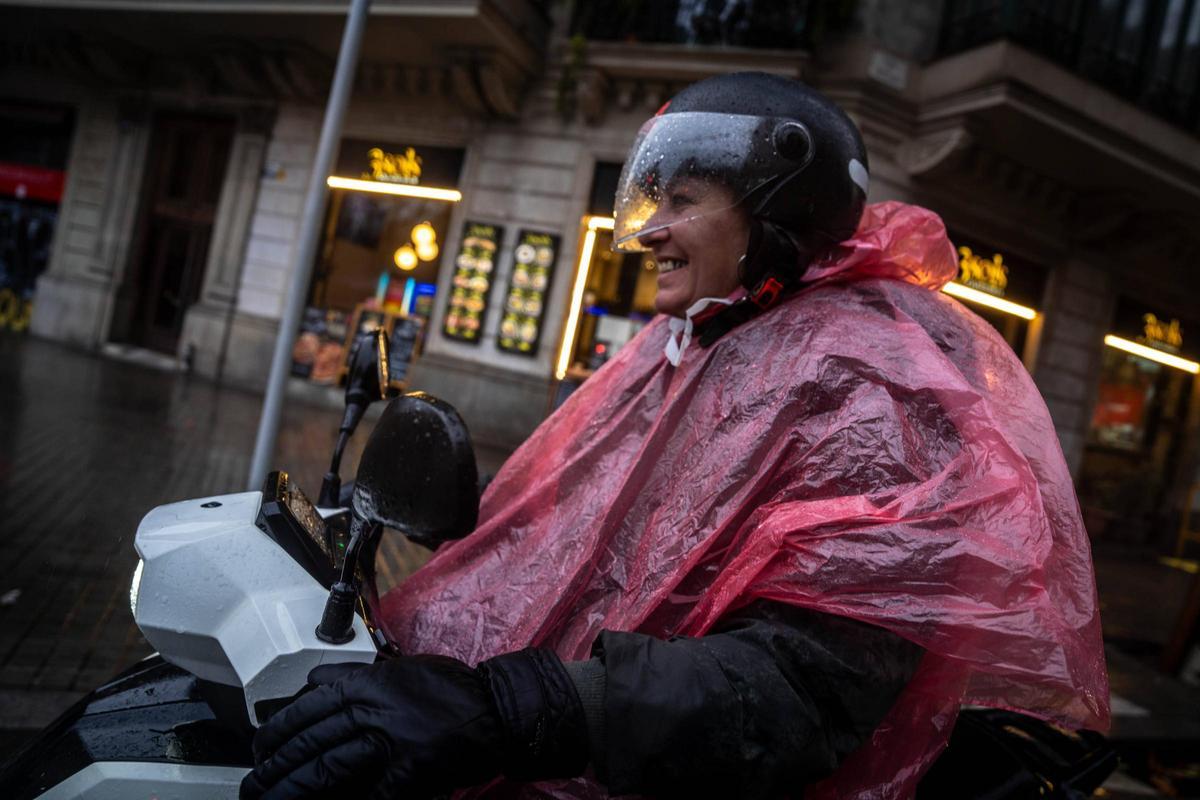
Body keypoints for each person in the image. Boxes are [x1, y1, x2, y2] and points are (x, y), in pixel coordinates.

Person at [242, 73, 1109, 800]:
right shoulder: (699, 340)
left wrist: (518, 708)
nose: (650, 230)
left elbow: (802, 688)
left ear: (778, 213)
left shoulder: (871, 387)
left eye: (683, 201)